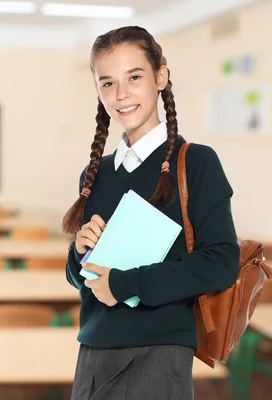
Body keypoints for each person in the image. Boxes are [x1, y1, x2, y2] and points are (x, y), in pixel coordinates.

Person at [63, 25, 241, 400]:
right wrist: (80, 253)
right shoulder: (95, 173)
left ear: (160, 76)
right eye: (107, 83)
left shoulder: (196, 163)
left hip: (158, 355)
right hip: (94, 352)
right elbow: (82, 281)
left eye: (134, 77)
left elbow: (222, 262)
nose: (121, 94)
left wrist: (125, 284)